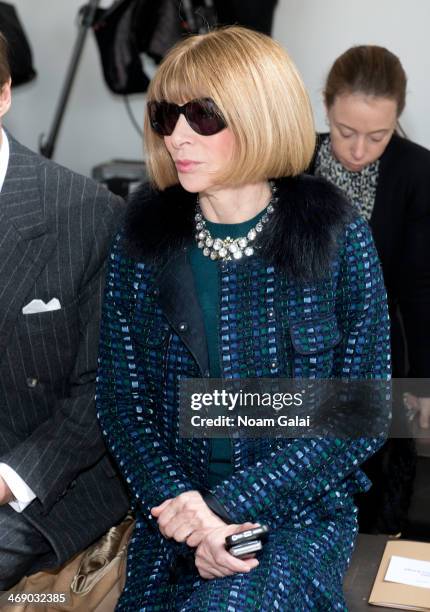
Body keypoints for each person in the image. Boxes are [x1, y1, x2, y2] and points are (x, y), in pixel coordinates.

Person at [96, 26, 390, 610]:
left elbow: (362, 409)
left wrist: (228, 507)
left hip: (294, 518)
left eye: (203, 116)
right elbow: (120, 398)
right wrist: (185, 509)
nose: (178, 136)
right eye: (164, 116)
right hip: (173, 522)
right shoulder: (142, 239)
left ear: (260, 116)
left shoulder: (336, 236)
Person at [0, 32, 129, 589]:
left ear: (3, 93)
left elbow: (102, 389)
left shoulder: (88, 213)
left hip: (46, 480)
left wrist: (8, 478)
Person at [310, 44, 430, 534]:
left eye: (377, 136)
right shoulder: (293, 162)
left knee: (376, 500)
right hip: (299, 356)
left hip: (382, 355)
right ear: (326, 108)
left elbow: (421, 285)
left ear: (397, 120)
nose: (359, 150)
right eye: (345, 132)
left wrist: (425, 379)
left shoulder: (416, 172)